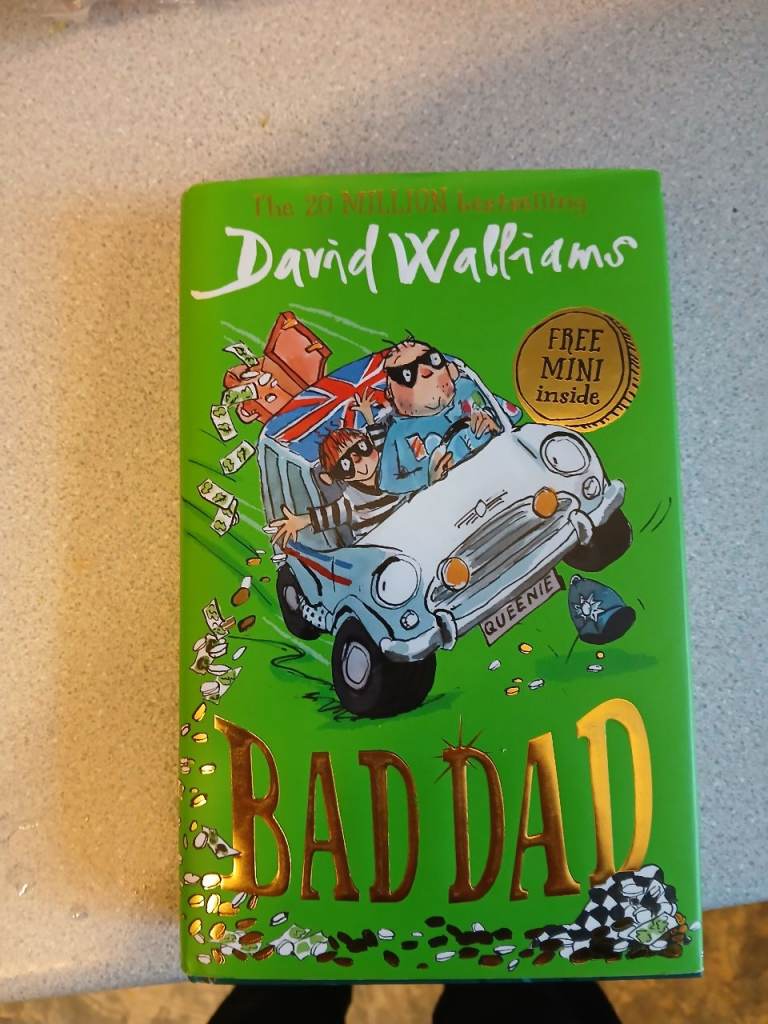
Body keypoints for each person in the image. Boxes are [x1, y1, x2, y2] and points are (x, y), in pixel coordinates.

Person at [268, 388, 400, 544]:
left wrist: (368, 415)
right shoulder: (352, 500)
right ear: (336, 476)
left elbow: (379, 440)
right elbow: (327, 515)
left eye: (361, 448)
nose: (358, 460)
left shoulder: (390, 464)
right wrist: (299, 522)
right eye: (345, 464)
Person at [377, 335, 501, 495]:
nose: (426, 371)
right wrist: (428, 477)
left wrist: (496, 425)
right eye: (407, 374)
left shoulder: (468, 389)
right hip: (451, 497)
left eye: (432, 359)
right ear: (390, 392)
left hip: (497, 470)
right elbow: (388, 483)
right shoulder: (398, 433)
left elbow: (511, 415)